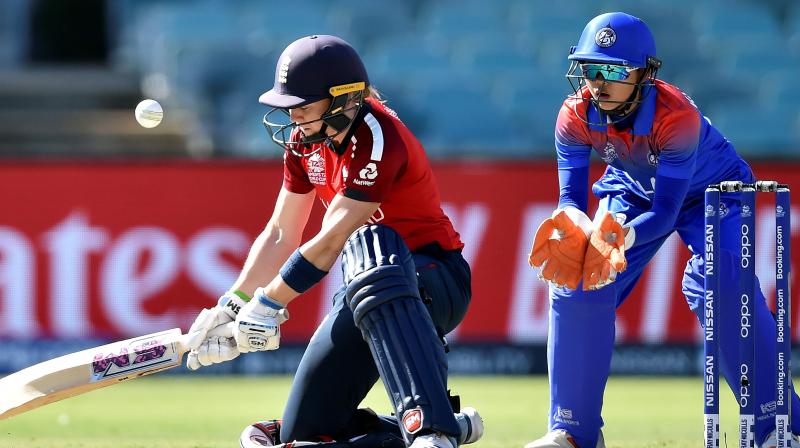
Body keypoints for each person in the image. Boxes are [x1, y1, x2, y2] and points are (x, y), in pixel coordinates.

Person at [183, 35, 483, 448]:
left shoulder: (379, 137)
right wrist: (232, 305)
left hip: (434, 277)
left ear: (344, 100)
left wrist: (269, 303)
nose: (295, 118)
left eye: (304, 106)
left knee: (371, 244)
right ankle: (423, 427)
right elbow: (280, 232)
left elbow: (333, 236)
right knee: (302, 436)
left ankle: (433, 430)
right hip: (367, 288)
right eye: (290, 107)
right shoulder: (305, 142)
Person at [527, 12, 800, 448]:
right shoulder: (574, 114)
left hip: (713, 190)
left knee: (722, 281)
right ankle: (573, 432)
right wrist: (575, 227)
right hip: (631, 188)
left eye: (614, 70)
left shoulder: (678, 118)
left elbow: (668, 211)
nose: (599, 82)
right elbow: (571, 202)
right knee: (578, 275)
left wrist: (621, 238)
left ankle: (778, 427)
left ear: (643, 74)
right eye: (592, 68)